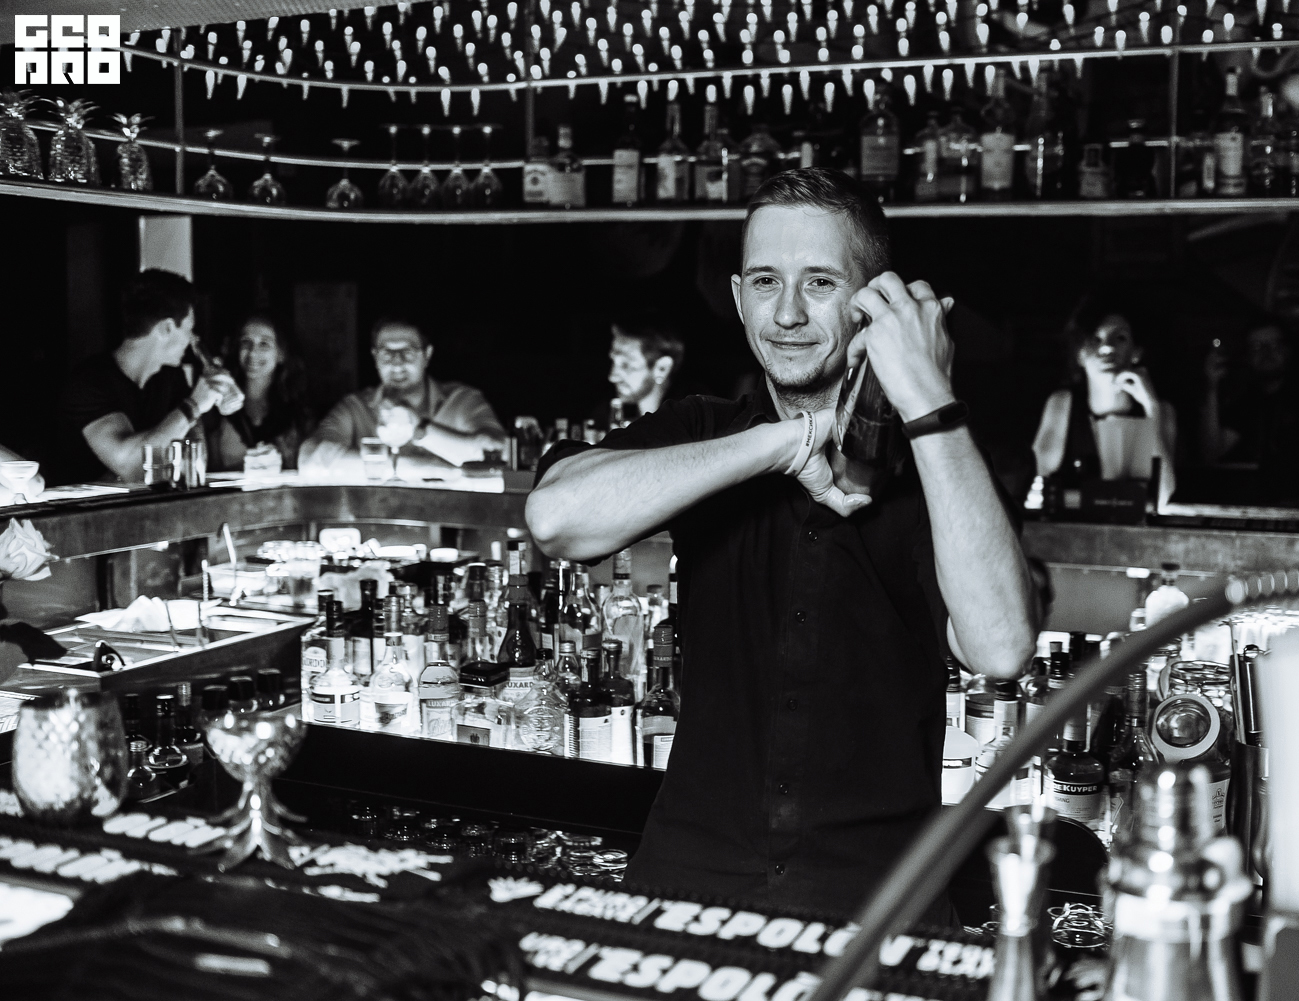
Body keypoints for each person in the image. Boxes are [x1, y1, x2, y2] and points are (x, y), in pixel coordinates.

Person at [526, 167, 1035, 921]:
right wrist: (788, 442)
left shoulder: (942, 462)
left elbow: (1000, 646)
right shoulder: (705, 431)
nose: (787, 313)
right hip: (687, 886)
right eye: (766, 281)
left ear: (872, 304)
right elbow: (555, 518)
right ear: (738, 299)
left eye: (820, 282)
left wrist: (928, 398)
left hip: (879, 905)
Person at [58, 269, 244, 484]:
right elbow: (133, 467)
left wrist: (220, 400)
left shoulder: (170, 377)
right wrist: (194, 405)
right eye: (189, 329)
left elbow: (192, 461)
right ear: (166, 328)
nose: (192, 340)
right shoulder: (89, 383)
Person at [298, 317, 507, 478]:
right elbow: (310, 459)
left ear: (427, 355)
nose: (397, 363)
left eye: (408, 352)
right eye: (387, 353)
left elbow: (500, 453)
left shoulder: (462, 400)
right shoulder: (355, 407)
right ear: (375, 357)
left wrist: (420, 430)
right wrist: (411, 466)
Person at [1030, 296, 1178, 505]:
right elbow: (1043, 490)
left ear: (1136, 353)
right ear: (1080, 355)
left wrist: (1151, 409)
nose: (1107, 348)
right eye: (1095, 339)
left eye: (1120, 338)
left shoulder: (1160, 410)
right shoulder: (1062, 404)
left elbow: (1162, 496)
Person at [1201, 320, 1299, 508]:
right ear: (1247, 356)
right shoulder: (1248, 401)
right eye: (1257, 346)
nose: (1266, 352)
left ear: (1288, 350)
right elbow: (1212, 454)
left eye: (1274, 344)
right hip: (1261, 506)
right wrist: (1211, 388)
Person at [205, 314, 310, 472]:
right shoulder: (217, 405)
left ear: (281, 354)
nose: (253, 352)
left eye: (264, 344)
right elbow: (210, 469)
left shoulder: (299, 410)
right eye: (246, 342)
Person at [607, 320, 685, 419]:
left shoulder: (692, 421)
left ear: (662, 368)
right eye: (613, 362)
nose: (612, 377)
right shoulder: (605, 416)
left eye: (626, 365)